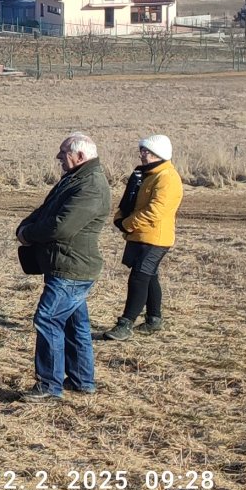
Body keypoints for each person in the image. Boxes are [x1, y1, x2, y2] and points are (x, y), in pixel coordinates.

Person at [14, 133, 111, 403]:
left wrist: (28, 234)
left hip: (71, 269)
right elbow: (47, 210)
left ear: (79, 156)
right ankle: (82, 380)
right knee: (74, 324)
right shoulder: (76, 178)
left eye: (63, 152)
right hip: (66, 264)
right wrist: (25, 227)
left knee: (48, 319)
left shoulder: (90, 186)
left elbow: (61, 226)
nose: (58, 157)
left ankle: (49, 386)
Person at [104, 134, 181, 341]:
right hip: (141, 235)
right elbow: (129, 201)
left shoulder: (167, 178)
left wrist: (127, 224)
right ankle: (154, 320)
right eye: (142, 150)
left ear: (159, 153)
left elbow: (155, 211)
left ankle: (125, 324)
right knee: (149, 275)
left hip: (156, 238)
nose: (142, 154)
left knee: (139, 277)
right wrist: (120, 218)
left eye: (147, 151)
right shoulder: (144, 175)